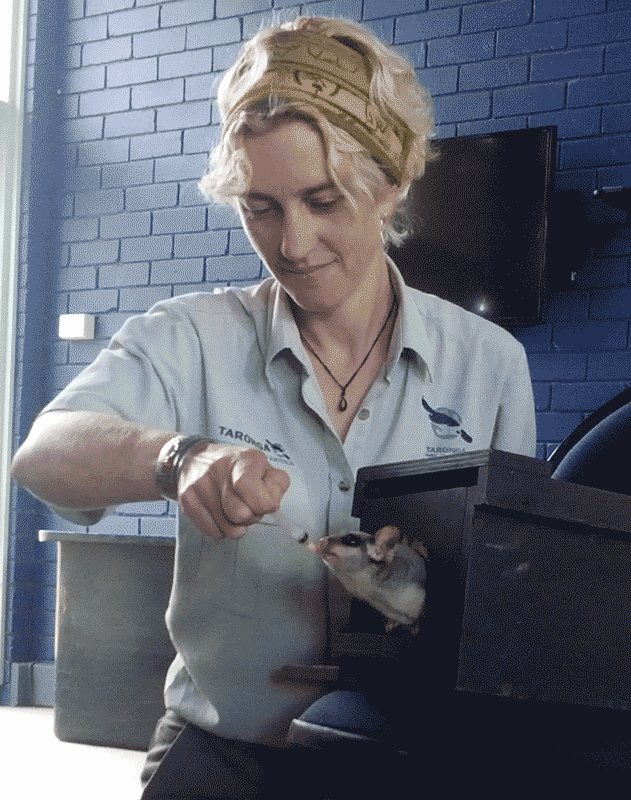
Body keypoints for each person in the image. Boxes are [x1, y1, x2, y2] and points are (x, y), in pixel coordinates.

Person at [11, 15, 536, 799]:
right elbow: (43, 455)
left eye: (323, 200)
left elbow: (510, 592)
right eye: (260, 208)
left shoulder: (490, 364)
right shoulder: (188, 335)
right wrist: (178, 458)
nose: (292, 244)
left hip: (407, 762)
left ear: (389, 183)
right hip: (219, 753)